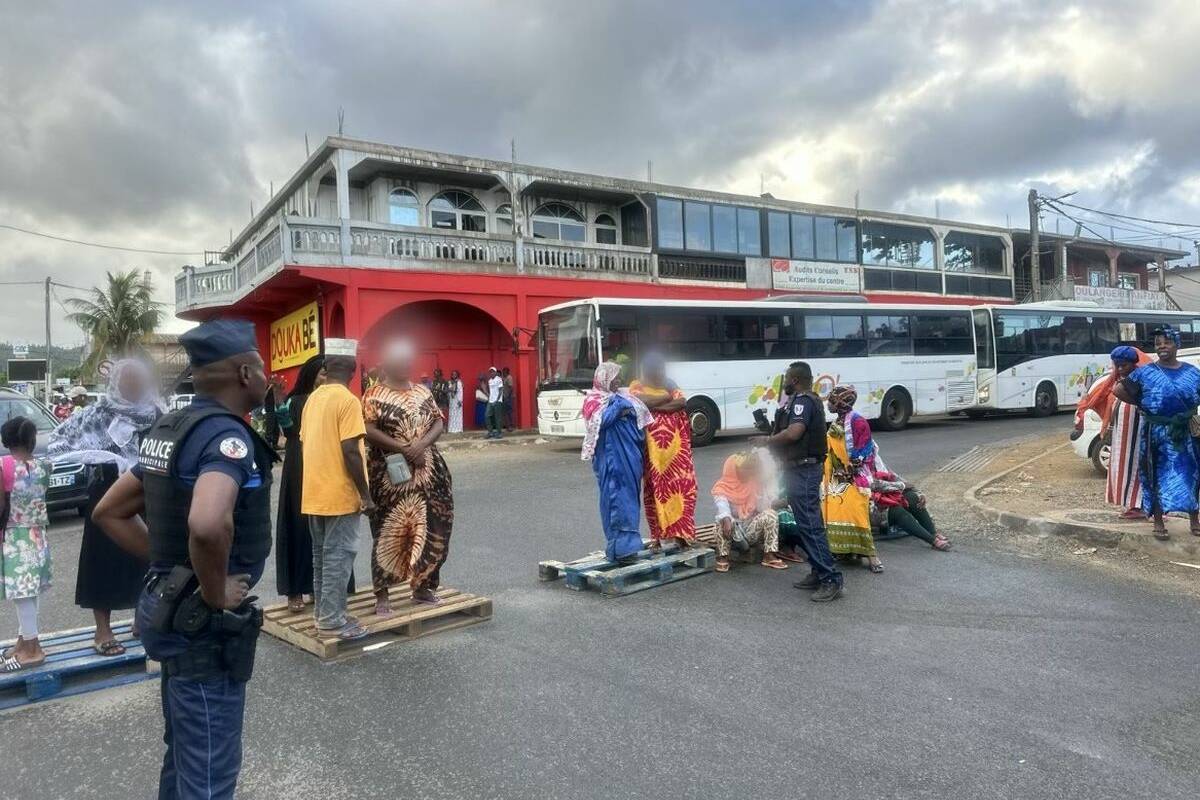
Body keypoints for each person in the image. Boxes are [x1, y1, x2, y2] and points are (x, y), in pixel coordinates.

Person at [92, 318, 276, 799]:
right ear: (242, 374)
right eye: (260, 367)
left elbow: (110, 511)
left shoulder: (169, 429)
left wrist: (173, 567)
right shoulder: (226, 440)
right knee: (211, 771)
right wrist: (214, 591)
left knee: (186, 755)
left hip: (171, 614)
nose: (266, 377)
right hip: (203, 629)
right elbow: (208, 524)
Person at [47, 359, 160, 656]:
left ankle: (141, 620)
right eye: (127, 380)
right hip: (106, 494)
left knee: (148, 558)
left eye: (138, 380)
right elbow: (59, 442)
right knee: (103, 560)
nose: (133, 386)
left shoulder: (156, 411)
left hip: (147, 493)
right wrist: (102, 457)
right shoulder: (97, 414)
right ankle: (103, 630)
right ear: (116, 382)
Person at [363, 339, 454, 612]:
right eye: (399, 358)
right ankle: (382, 594)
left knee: (435, 526)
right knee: (389, 530)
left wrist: (421, 445)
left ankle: (424, 586)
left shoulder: (422, 392)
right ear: (387, 362)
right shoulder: (373, 394)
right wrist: (403, 447)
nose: (405, 364)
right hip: (391, 477)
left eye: (408, 359)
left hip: (429, 472)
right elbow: (366, 428)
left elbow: (438, 421)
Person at [752, 361, 843, 602]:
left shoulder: (803, 401)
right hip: (799, 469)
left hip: (804, 470)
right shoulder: (804, 400)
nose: (784, 383)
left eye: (786, 378)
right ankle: (818, 570)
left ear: (794, 380)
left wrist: (766, 441)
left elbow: (795, 433)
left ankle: (830, 578)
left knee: (811, 525)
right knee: (807, 524)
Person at [300, 339, 372, 640]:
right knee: (338, 558)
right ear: (353, 371)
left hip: (314, 494)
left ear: (326, 368)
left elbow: (307, 442)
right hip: (340, 495)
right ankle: (332, 620)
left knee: (321, 558)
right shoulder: (348, 401)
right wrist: (366, 494)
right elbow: (351, 451)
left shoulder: (313, 399)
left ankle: (324, 614)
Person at [1114, 325, 1200, 540]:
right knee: (1155, 476)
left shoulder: (1192, 372)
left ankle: (1194, 519)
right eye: (1158, 343)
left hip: (1186, 433)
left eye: (1167, 342)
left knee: (1191, 473)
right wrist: (1144, 405)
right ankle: (1159, 521)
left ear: (1177, 345)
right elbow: (1118, 390)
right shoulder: (1145, 373)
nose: (1162, 347)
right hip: (1156, 433)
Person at [274, 355, 338, 613]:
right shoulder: (297, 401)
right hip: (300, 468)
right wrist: (280, 403)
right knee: (298, 527)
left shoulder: (335, 401)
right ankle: (295, 590)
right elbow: (288, 432)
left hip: (326, 468)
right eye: (323, 374)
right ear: (312, 374)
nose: (326, 379)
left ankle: (318, 586)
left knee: (325, 529)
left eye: (329, 375)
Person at [581, 362, 653, 562]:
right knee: (615, 500)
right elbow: (600, 423)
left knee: (630, 499)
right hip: (612, 461)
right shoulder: (593, 400)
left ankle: (628, 547)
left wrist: (622, 409)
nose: (618, 382)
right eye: (614, 378)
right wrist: (618, 409)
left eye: (619, 378)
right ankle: (621, 549)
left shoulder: (624, 397)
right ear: (604, 379)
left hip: (631, 457)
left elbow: (641, 421)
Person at [1075, 346, 1153, 519]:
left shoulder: (1142, 380)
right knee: (1122, 466)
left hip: (1137, 432)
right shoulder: (1118, 380)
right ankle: (1131, 505)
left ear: (1134, 364)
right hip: (1122, 433)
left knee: (1137, 466)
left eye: (1123, 365)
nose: (1119, 369)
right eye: (1116, 366)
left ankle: (1140, 506)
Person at [629, 353, 698, 549]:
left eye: (662, 369)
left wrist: (660, 404)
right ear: (648, 371)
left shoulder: (670, 382)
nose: (661, 373)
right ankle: (656, 538)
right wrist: (667, 398)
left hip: (677, 455)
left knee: (683, 490)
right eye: (658, 370)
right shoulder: (637, 384)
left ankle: (681, 536)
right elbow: (641, 402)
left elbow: (682, 403)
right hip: (652, 455)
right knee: (654, 493)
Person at [0, 417, 52, 671]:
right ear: (32, 440)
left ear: (6, 440)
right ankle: (23, 641)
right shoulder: (44, 466)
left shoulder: (3, 466)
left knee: (22, 595)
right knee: (29, 593)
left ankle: (32, 650)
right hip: (38, 536)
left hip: (15, 537)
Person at [823, 385, 884, 573]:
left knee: (854, 507)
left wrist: (850, 470)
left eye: (831, 401)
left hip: (857, 476)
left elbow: (866, 452)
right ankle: (842, 550)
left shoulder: (859, 422)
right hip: (836, 477)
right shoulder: (836, 423)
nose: (828, 404)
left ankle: (872, 555)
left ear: (840, 402)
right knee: (828, 500)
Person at [710, 452, 789, 572]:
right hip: (732, 532)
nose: (748, 473)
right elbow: (722, 507)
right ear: (733, 469)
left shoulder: (754, 484)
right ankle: (723, 557)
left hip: (750, 530)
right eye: (744, 469)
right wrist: (727, 520)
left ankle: (769, 555)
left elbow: (762, 507)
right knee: (720, 521)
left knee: (770, 514)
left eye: (750, 470)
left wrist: (773, 501)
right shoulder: (722, 487)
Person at [869, 458, 951, 551]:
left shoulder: (873, 457)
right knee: (896, 510)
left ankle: (932, 532)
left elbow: (894, 477)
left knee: (912, 497)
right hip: (870, 504)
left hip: (888, 494)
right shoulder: (854, 463)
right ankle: (933, 541)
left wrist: (918, 492)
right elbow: (872, 484)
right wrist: (901, 486)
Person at [485, 366, 505, 439]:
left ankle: (499, 433)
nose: (491, 373)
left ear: (496, 372)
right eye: (490, 372)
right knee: (487, 416)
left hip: (498, 401)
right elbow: (490, 392)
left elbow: (500, 390)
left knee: (497, 417)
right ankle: (490, 432)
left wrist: (497, 400)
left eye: (493, 371)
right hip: (490, 401)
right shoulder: (489, 381)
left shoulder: (499, 379)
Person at [447, 369, 465, 434]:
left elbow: (460, 392)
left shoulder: (459, 382)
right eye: (452, 374)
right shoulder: (449, 382)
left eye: (455, 374)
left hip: (457, 400)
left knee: (458, 415)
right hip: (452, 400)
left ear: (457, 375)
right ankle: (451, 429)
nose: (454, 375)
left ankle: (458, 429)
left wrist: (460, 401)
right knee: (452, 415)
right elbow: (448, 391)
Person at [502, 366, 515, 431]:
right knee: (506, 412)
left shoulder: (509, 378)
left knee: (509, 412)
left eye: (503, 372)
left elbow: (511, 387)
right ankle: (507, 425)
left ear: (506, 372)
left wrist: (508, 396)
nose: (503, 373)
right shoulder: (505, 378)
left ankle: (510, 426)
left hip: (508, 397)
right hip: (505, 397)